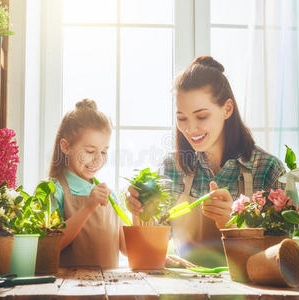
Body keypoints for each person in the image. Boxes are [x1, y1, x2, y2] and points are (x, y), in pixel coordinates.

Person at [126, 56, 286, 267]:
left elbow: (285, 256)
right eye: (182, 118)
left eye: (201, 117)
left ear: (227, 109)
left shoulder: (268, 170)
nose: (190, 129)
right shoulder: (172, 167)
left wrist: (235, 225)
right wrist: (139, 210)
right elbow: (151, 246)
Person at [49, 99, 126, 268]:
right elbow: (51, 246)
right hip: (68, 290)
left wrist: (139, 212)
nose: (98, 159)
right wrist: (88, 207)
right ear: (66, 146)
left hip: (108, 290)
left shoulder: (110, 195)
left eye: (104, 151)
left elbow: (126, 248)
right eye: (90, 151)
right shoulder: (54, 189)